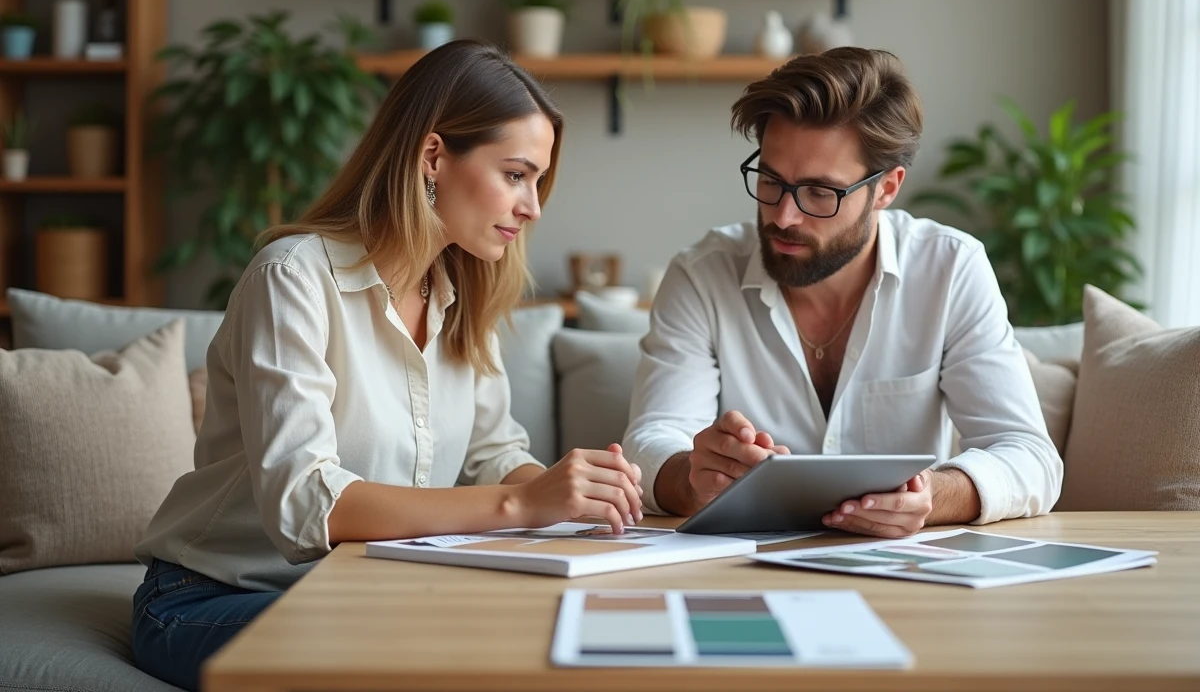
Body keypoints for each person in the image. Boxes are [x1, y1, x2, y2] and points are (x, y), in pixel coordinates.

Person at [131, 40, 643, 691]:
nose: (533, 206)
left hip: (362, 589)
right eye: (516, 175)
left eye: (538, 181)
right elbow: (305, 502)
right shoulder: (293, 277)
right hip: (208, 600)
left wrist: (572, 499)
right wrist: (520, 503)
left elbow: (494, 453)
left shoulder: (460, 296)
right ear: (433, 156)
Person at [623, 47, 1062, 538]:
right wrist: (693, 476)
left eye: (819, 192)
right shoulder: (701, 275)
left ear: (888, 189)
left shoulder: (950, 269)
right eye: (770, 180)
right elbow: (651, 438)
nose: (784, 217)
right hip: (745, 567)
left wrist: (930, 497)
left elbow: (1030, 456)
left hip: (905, 577)